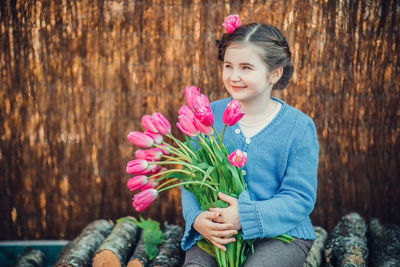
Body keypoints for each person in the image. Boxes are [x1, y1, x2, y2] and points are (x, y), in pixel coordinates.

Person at [181, 15, 319, 267]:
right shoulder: (208, 117)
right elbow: (190, 178)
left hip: (280, 234)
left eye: (246, 67)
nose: (234, 76)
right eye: (228, 66)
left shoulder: (298, 128)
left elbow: (299, 197)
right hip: (218, 231)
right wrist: (197, 218)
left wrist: (245, 216)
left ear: (274, 73)